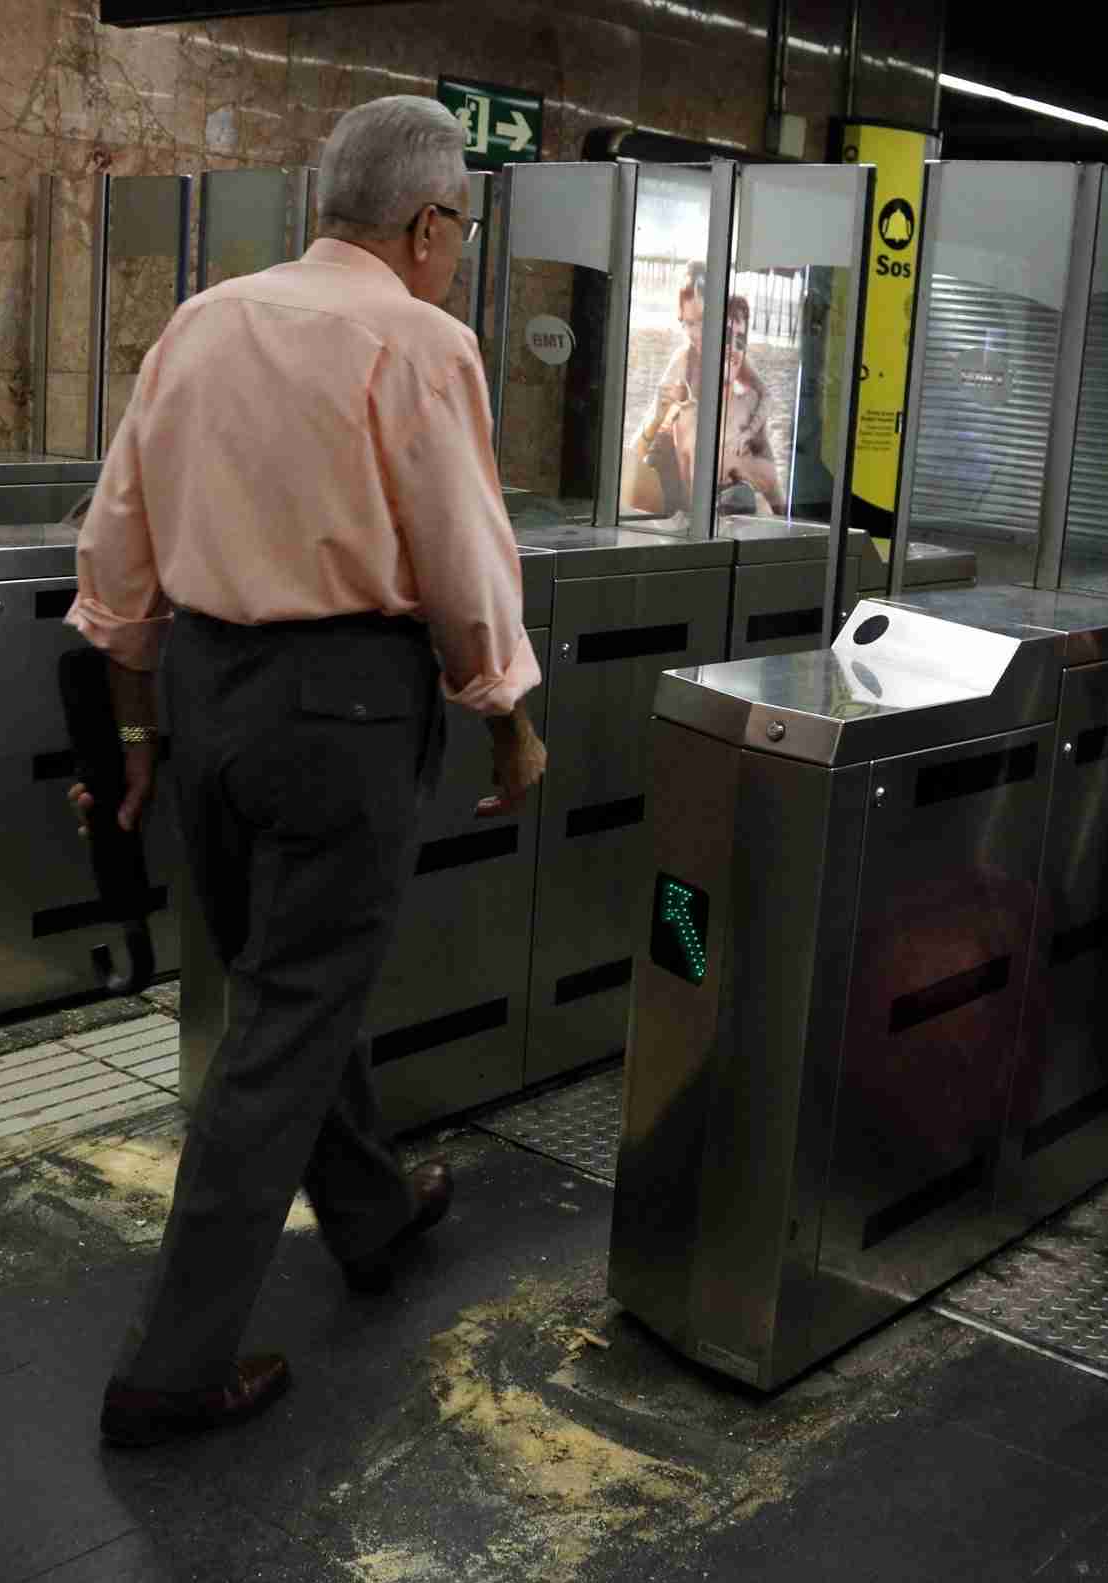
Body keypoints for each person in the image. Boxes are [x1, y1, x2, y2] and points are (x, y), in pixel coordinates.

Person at [65, 95, 548, 1448]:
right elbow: (460, 553)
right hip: (344, 707)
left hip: (209, 691)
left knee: (283, 978)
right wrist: (507, 711)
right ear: (428, 222)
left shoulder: (203, 322)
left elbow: (117, 549)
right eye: (455, 229)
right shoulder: (420, 337)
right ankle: (173, 1362)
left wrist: (146, 736)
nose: (452, 250)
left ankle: (374, 1214)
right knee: (283, 1019)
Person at [626, 264, 787, 518]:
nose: (694, 334)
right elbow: (648, 429)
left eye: (701, 322)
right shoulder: (684, 358)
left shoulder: (738, 365)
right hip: (669, 467)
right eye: (686, 324)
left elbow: (764, 397)